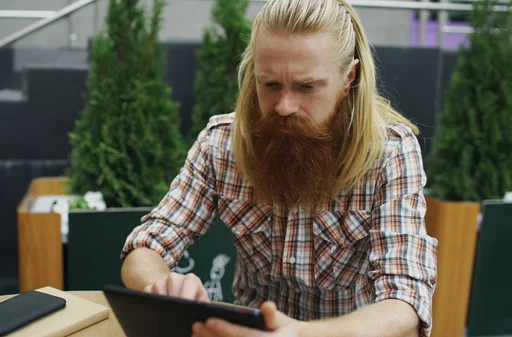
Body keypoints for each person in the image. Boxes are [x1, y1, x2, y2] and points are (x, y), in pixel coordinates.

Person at [120, 0, 438, 336]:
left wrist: (300, 335)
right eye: (269, 84)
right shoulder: (221, 144)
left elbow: (406, 302)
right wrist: (161, 285)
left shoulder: (390, 152)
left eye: (307, 87)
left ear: (349, 78)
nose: (284, 106)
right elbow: (144, 246)